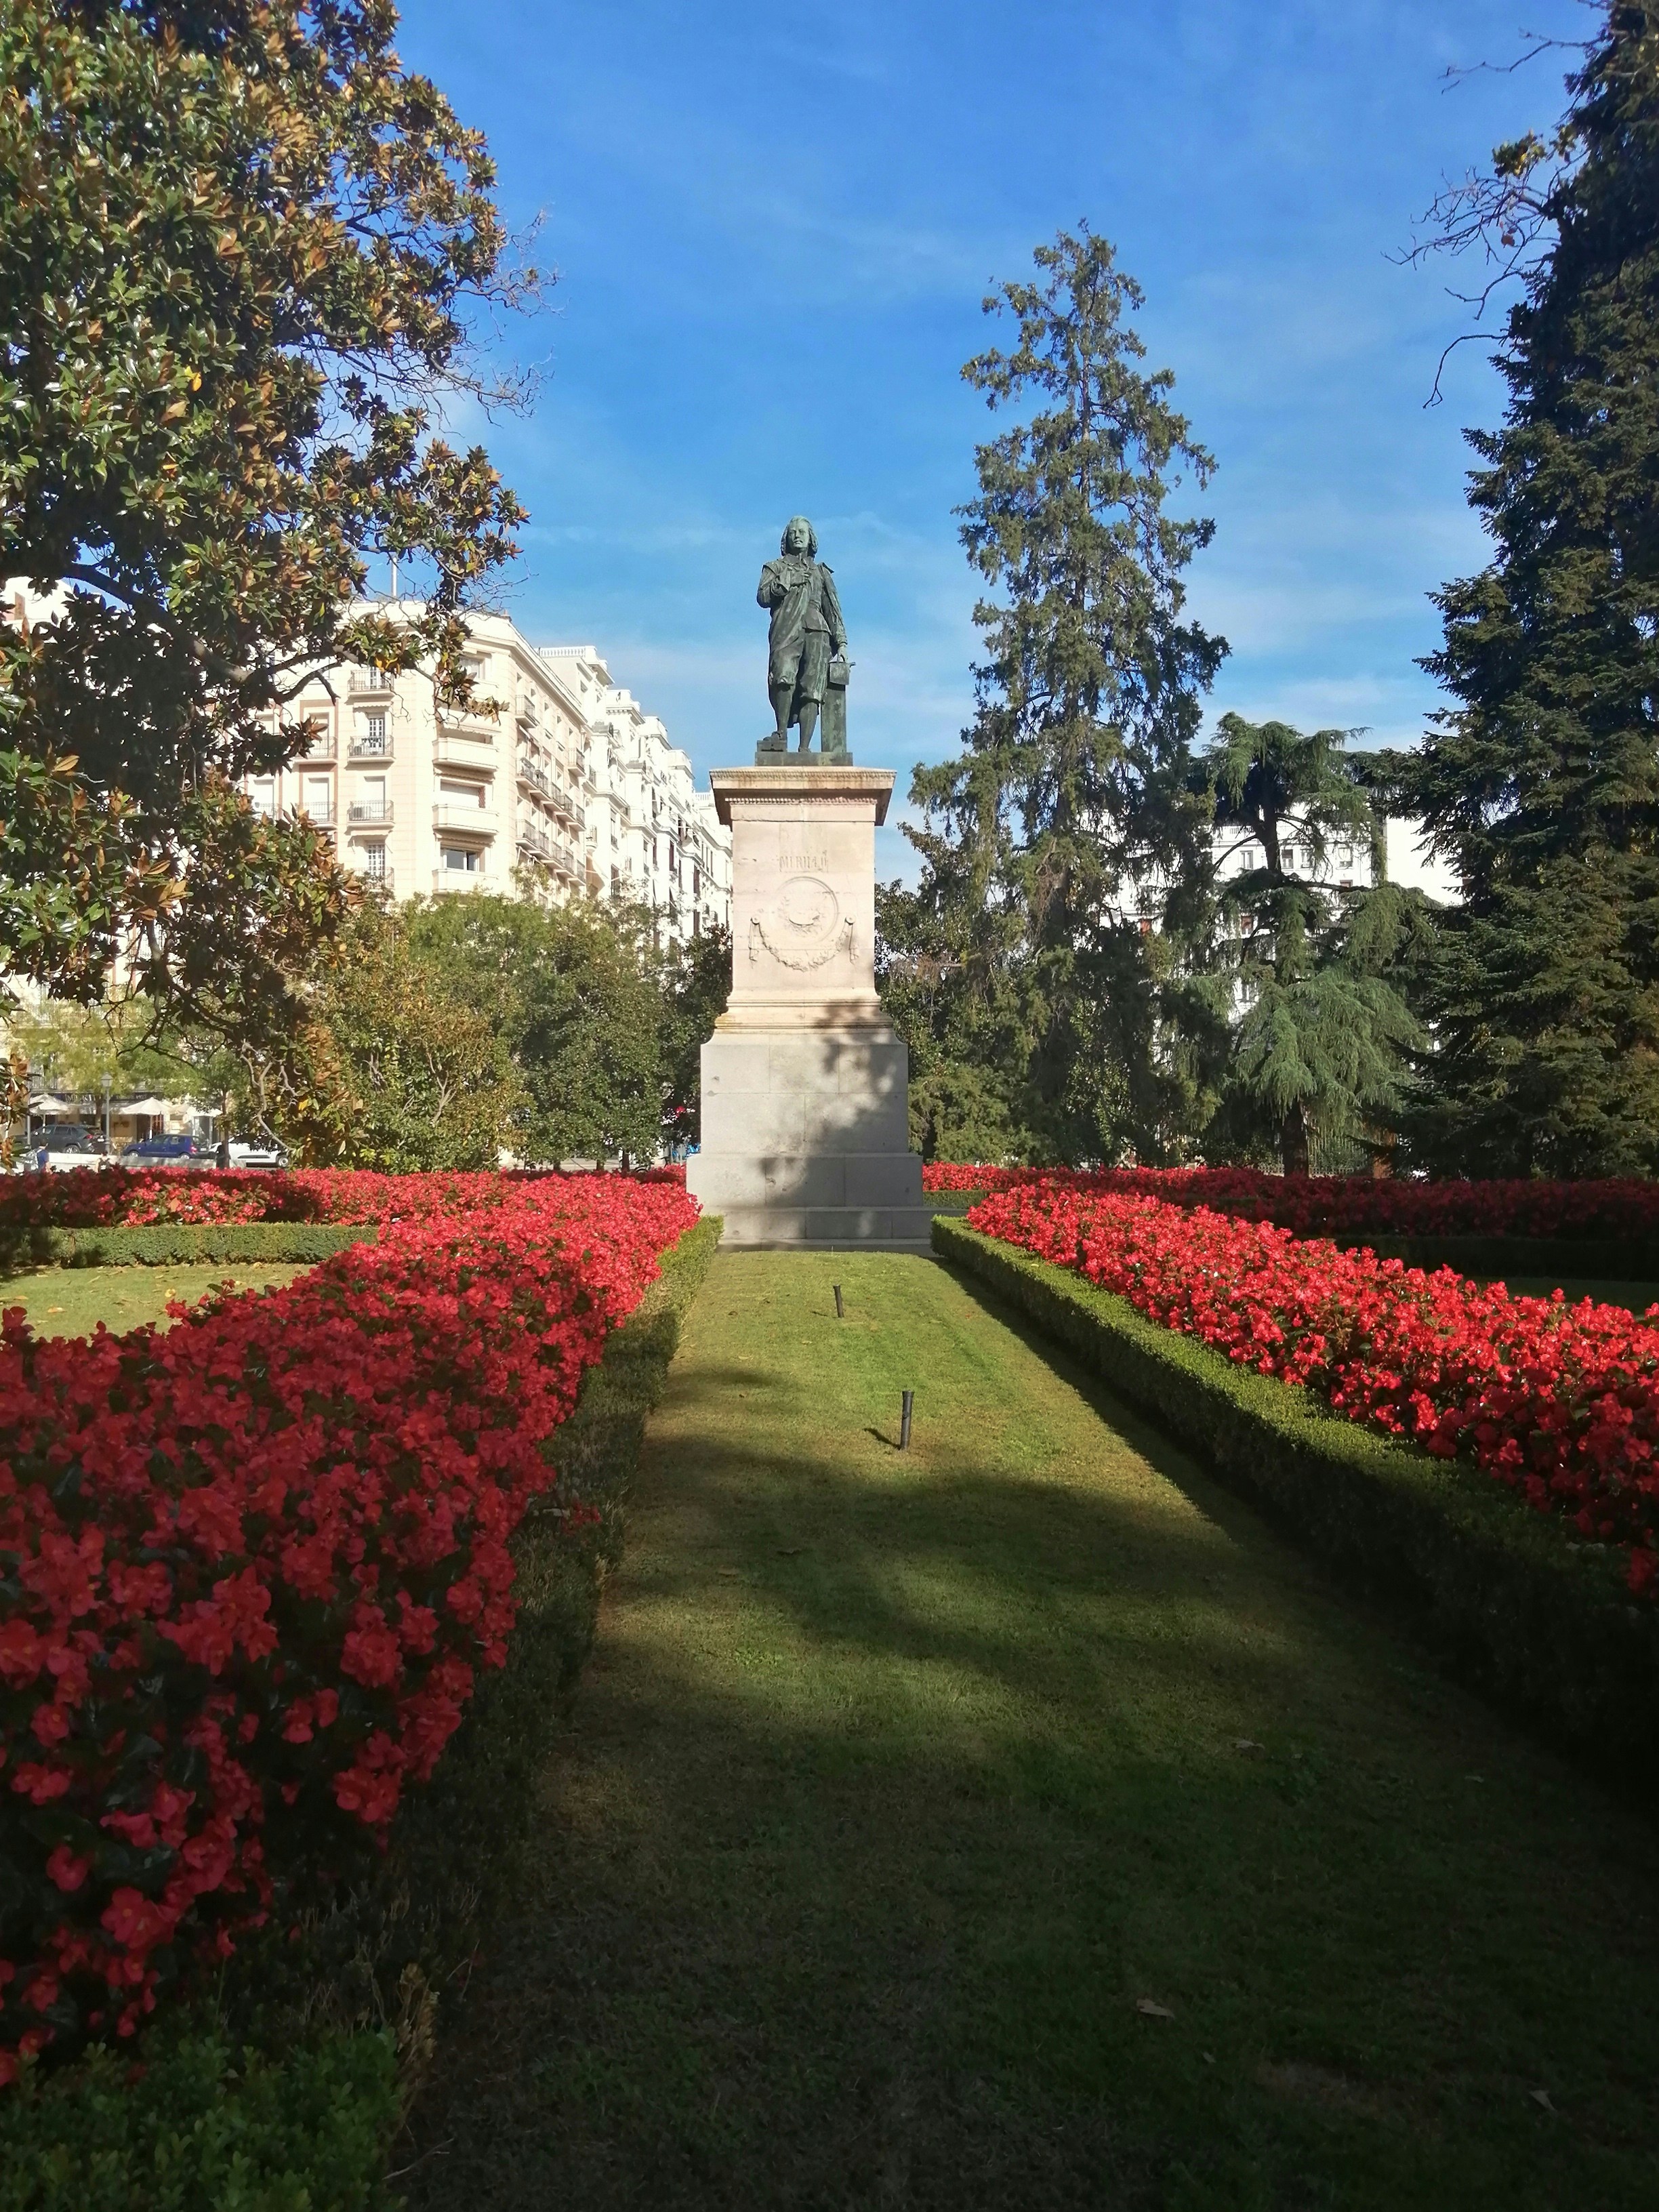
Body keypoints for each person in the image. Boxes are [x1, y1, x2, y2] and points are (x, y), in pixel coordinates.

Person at [756, 516, 847, 754]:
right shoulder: (775, 568)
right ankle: (781, 736)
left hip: (818, 632)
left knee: (812, 690)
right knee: (783, 677)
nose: (797, 535)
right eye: (793, 531)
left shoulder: (821, 573)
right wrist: (786, 582)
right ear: (786, 538)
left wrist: (842, 643)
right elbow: (763, 597)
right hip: (786, 630)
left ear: (811, 539)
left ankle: (804, 747)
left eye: (802, 532)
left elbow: (833, 611)